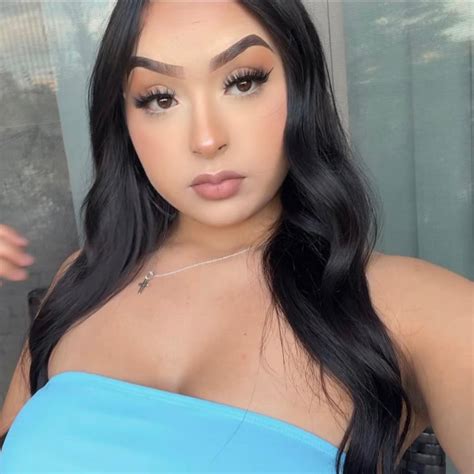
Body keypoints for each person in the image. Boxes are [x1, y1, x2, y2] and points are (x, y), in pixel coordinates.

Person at [0, 1, 471, 473]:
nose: (206, 140)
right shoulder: (81, 280)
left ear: (301, 86)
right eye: (160, 98)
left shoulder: (416, 312)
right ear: (123, 119)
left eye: (243, 82)